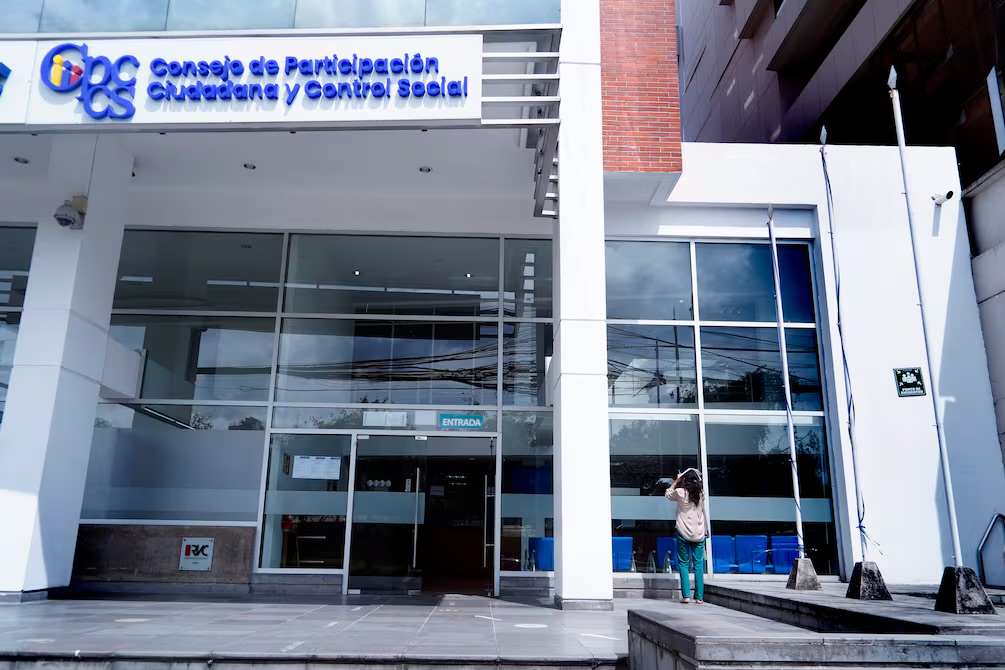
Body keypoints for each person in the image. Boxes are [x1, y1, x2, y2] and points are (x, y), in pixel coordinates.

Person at [665, 468, 707, 603]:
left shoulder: (680, 492)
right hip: (699, 532)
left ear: (685, 480)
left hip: (683, 531)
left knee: (683, 563)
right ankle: (699, 597)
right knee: (698, 564)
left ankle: (686, 596)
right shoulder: (701, 493)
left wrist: (677, 480)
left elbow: (668, 493)